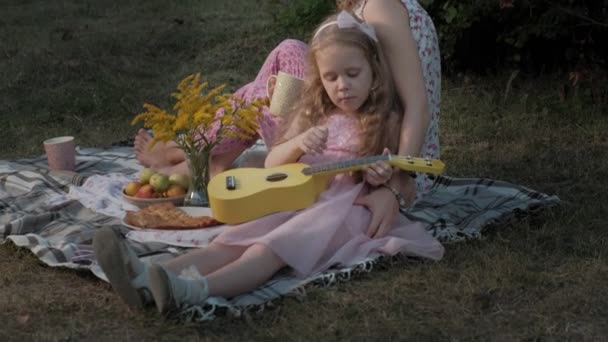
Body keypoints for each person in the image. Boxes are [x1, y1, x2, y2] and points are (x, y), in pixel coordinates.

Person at [95, 11, 444, 314]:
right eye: (331, 77)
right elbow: (274, 162)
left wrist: (381, 175)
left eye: (353, 74)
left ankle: (190, 291)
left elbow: (386, 173)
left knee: (264, 251)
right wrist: (297, 143)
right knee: (230, 242)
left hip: (339, 209)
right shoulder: (317, 114)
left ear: (374, 74)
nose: (342, 86)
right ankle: (146, 276)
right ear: (320, 80)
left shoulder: (386, 119)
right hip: (297, 197)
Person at [134, 0, 441, 238]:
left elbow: (417, 108)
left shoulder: (381, 6)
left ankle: (193, 152)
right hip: (357, 118)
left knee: (257, 98)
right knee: (289, 51)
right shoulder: (368, 6)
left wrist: (395, 184)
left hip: (383, 154)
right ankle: (206, 156)